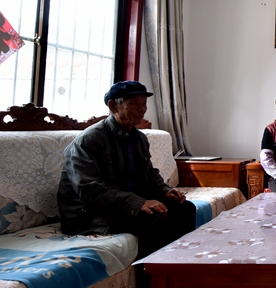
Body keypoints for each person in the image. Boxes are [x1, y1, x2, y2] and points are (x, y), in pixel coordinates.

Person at [57, 81, 195, 258]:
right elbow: (89, 189)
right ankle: (150, 273)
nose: (142, 109)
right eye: (135, 103)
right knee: (155, 218)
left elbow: (149, 173)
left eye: (144, 103)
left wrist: (165, 191)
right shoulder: (89, 140)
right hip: (89, 213)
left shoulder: (139, 138)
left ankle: (179, 265)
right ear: (113, 106)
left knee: (184, 208)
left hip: (120, 204)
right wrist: (139, 203)